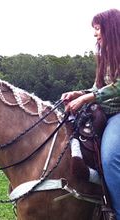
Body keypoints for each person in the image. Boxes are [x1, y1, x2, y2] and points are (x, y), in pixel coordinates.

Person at [61, 9, 120, 220]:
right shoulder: (105, 56)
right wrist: (80, 93)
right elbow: (98, 87)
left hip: (117, 116)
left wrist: (87, 98)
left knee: (110, 156)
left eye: (97, 28)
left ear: (111, 28)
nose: (95, 33)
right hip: (104, 112)